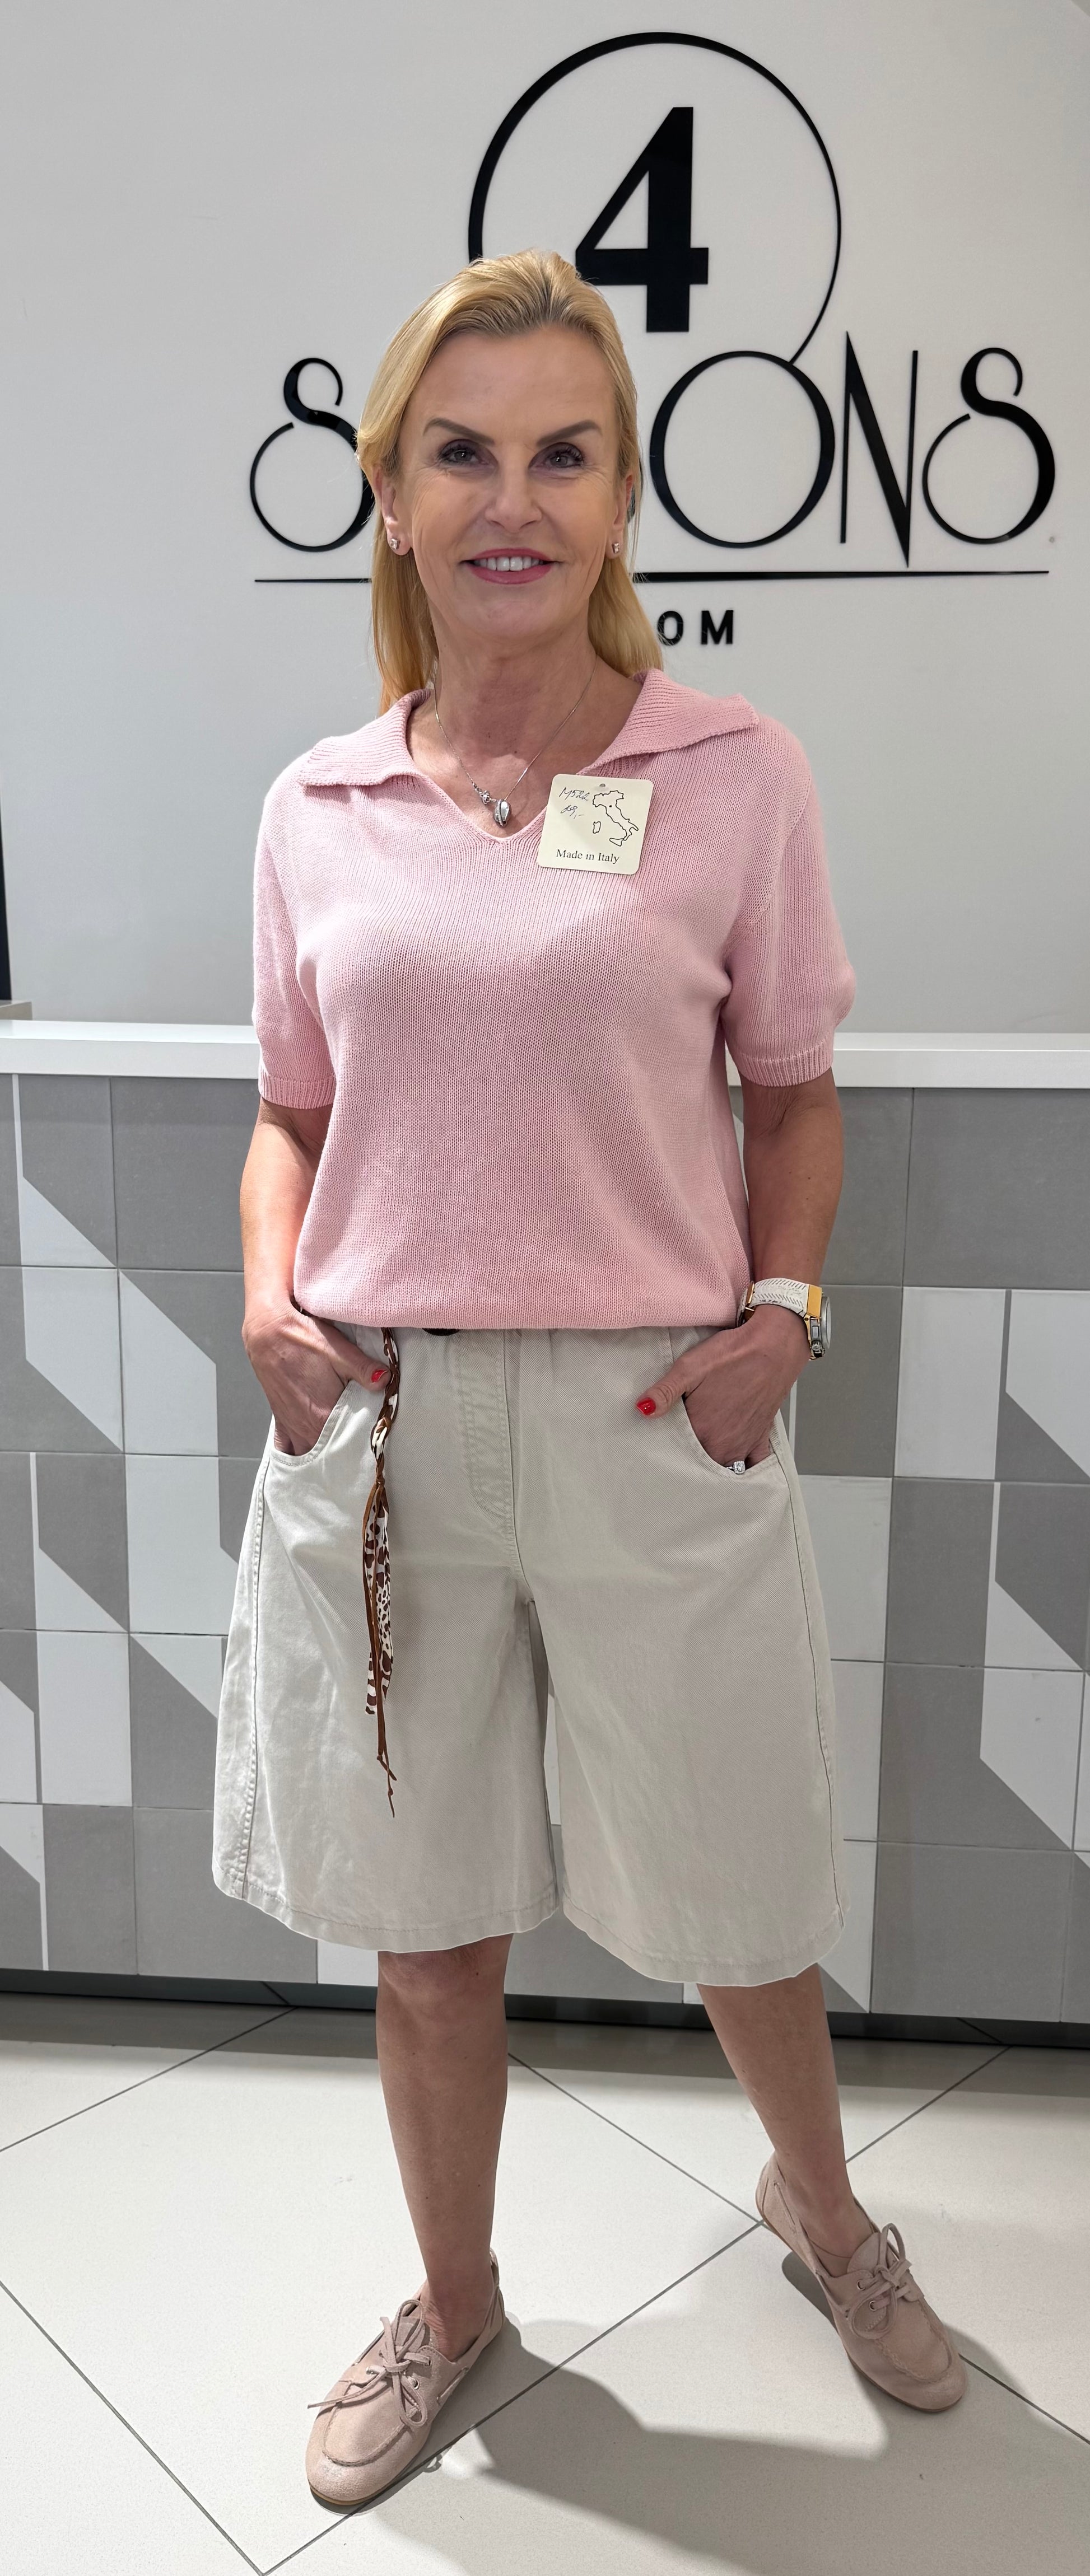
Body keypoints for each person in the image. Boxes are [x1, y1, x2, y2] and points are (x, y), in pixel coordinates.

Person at [213, 249, 966, 2511]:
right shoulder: (319, 803)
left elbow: (797, 1097)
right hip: (392, 1428)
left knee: (739, 1892)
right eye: (462, 452)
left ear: (624, 495)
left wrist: (781, 1320)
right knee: (427, 1925)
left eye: (563, 453)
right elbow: (289, 1113)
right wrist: (268, 1299)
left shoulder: (732, 773)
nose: (511, 498)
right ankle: (455, 2305)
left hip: (660, 1413)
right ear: (393, 496)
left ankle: (825, 2214)